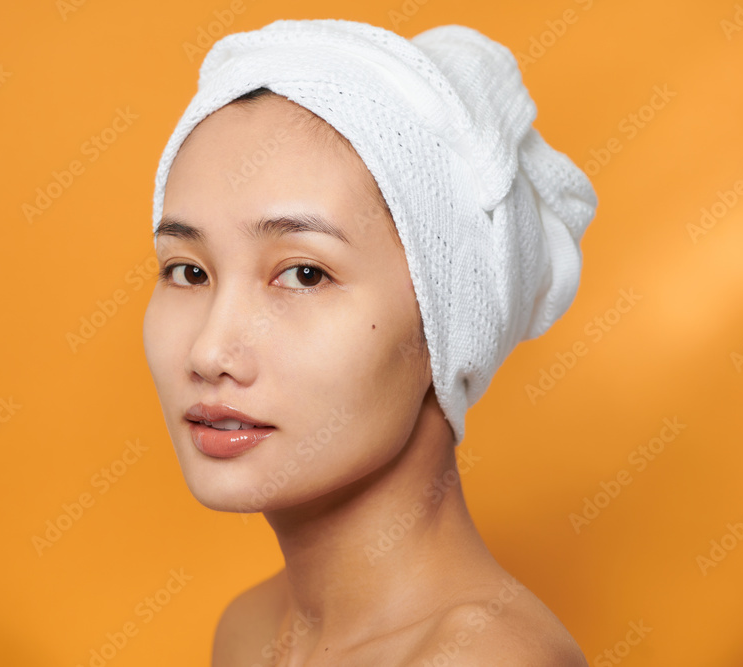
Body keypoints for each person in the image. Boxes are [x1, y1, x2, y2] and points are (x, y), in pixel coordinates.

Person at [143, 18, 596, 666]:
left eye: (303, 273)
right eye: (188, 270)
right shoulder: (247, 632)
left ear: (445, 321)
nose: (209, 352)